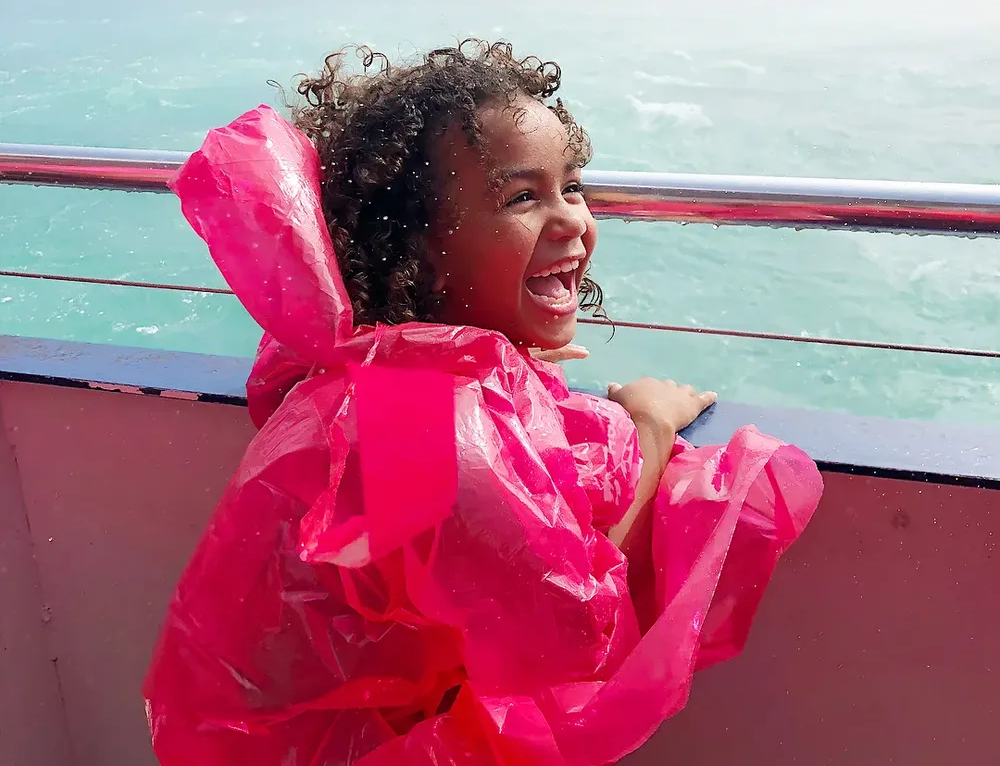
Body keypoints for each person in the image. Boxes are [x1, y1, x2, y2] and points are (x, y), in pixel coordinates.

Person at [144, 40, 822, 765]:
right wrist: (650, 424)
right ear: (420, 247)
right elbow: (575, 631)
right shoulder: (428, 417)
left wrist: (502, 358)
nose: (570, 221)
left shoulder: (373, 362)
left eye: (573, 185)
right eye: (521, 197)